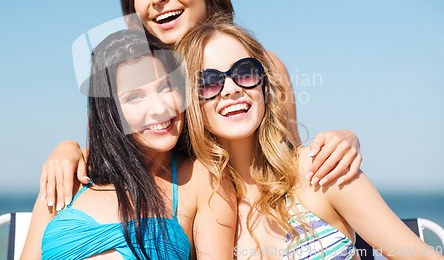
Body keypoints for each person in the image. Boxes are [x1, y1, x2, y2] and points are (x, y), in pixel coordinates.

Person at [40, 0, 362, 211]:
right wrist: (68, 149)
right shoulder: (122, 82)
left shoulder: (264, 66)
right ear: (132, 15)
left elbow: (288, 155)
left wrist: (345, 139)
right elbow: (107, 155)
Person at [176, 17, 443, 260]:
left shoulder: (320, 169)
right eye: (209, 82)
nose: (232, 89)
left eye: (245, 72)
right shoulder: (203, 208)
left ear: (263, 84)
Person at [21, 29, 236, 260]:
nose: (159, 108)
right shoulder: (68, 175)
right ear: (109, 113)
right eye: (135, 97)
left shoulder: (201, 180)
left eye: (165, 87)